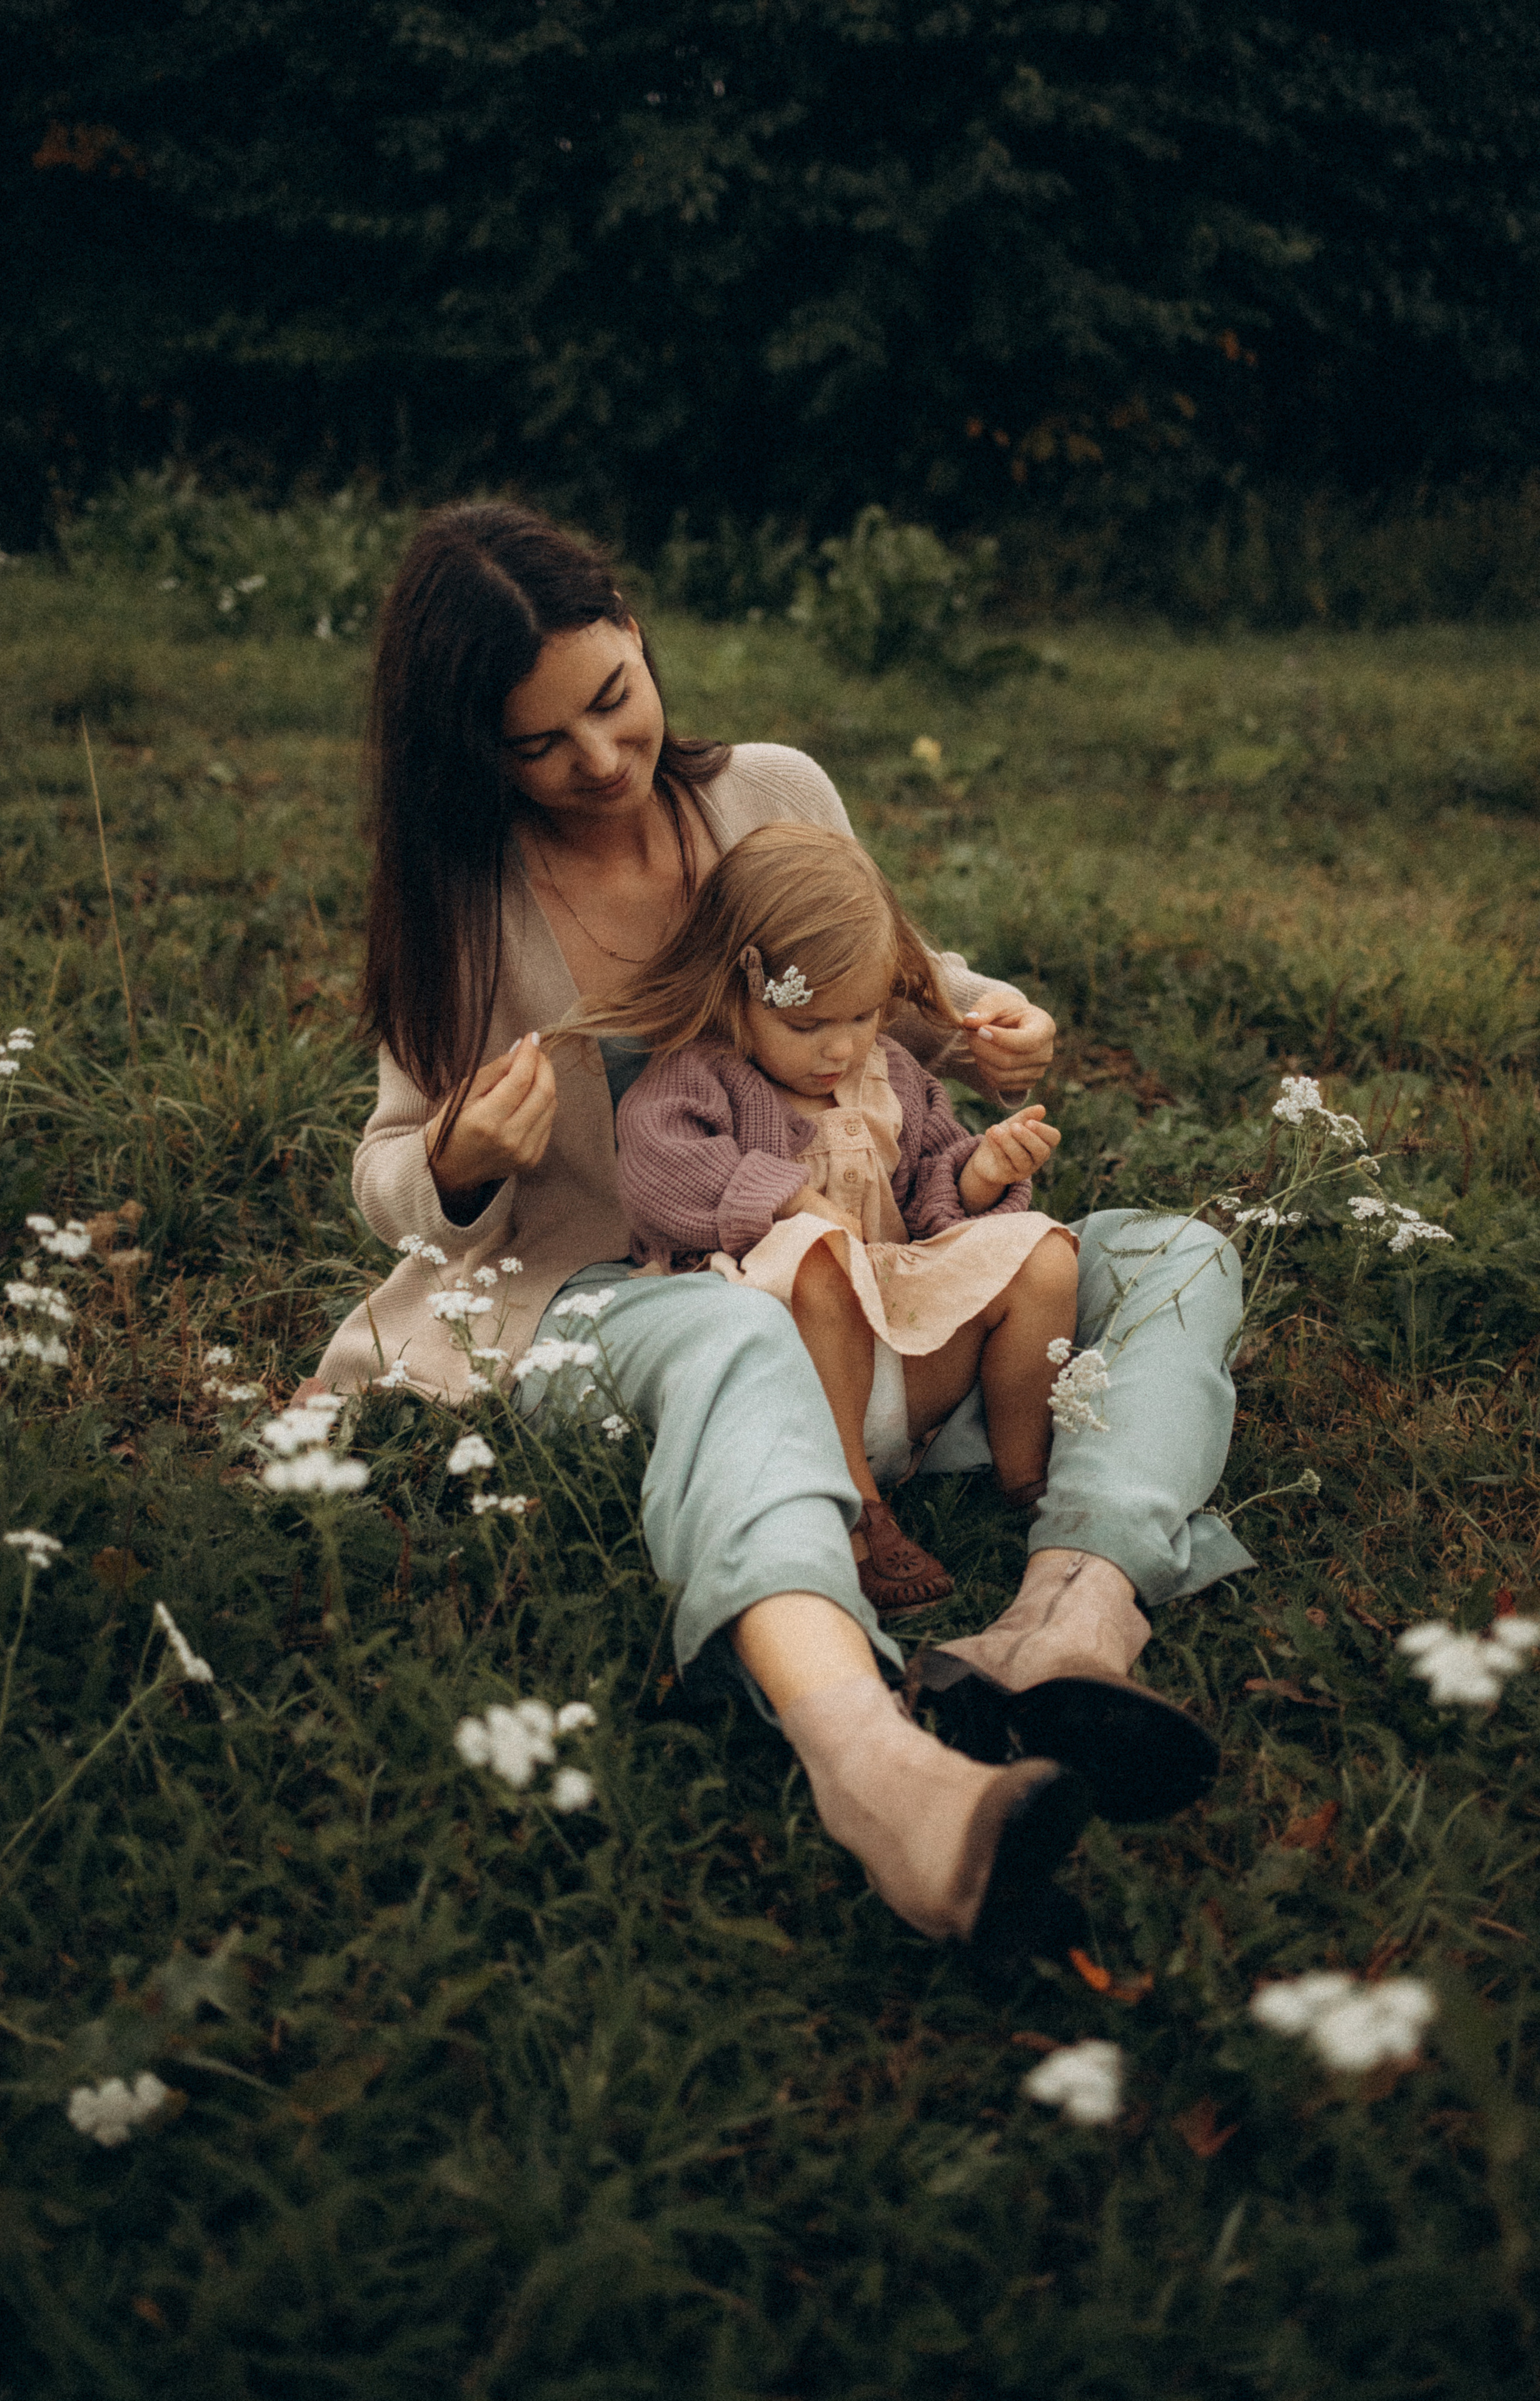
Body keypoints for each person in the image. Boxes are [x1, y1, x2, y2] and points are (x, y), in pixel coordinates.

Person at [315, 500, 1254, 1965]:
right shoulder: (461, 901)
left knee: (1177, 1252)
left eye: (614, 698)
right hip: (632, 1308)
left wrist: (988, 1012)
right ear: (469, 753)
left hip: (866, 1290)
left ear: (636, 631)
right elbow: (384, 1163)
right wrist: (450, 1156)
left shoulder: (769, 789)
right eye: (538, 744)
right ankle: (878, 1774)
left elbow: (886, 970)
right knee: (740, 1318)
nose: (603, 759)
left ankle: (1065, 1626)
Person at [557, 821, 1080, 1620]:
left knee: (1040, 1254)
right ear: (738, 996)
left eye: (863, 1017)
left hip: (891, 1356)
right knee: (812, 1252)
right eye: (807, 1026)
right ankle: (859, 1513)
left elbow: (926, 1205)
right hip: (782, 1364)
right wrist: (792, 1200)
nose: (840, 1049)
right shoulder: (699, 1078)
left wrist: (979, 1175)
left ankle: (1026, 1479)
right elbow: (659, 1176)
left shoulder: (892, 1078)